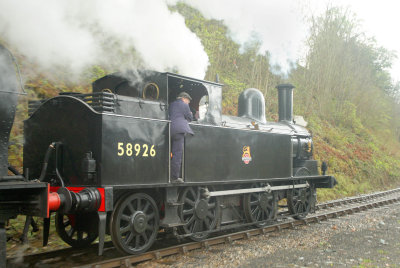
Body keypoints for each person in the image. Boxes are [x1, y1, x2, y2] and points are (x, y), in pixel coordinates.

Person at [169, 92, 194, 183]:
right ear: (184, 98)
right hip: (179, 131)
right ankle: (175, 177)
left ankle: (168, 173)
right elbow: (190, 117)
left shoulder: (171, 105)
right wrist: (190, 113)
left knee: (170, 153)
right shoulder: (184, 105)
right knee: (177, 154)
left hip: (169, 129)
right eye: (188, 101)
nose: (188, 103)